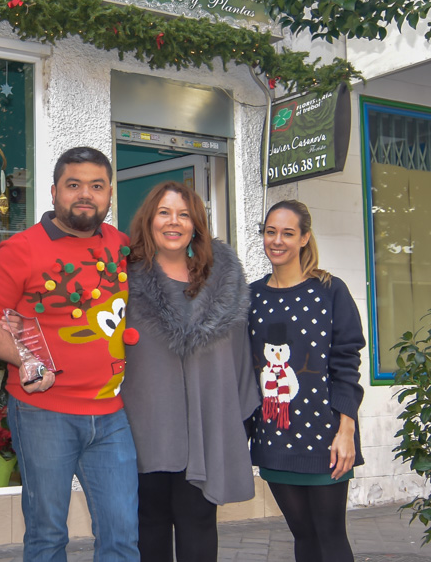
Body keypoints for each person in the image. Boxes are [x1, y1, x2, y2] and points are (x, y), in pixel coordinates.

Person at [0, 146, 140, 562]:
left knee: (122, 534)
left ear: (110, 194)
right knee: (47, 535)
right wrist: (25, 359)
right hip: (43, 413)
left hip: (111, 414)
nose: (85, 194)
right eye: (74, 185)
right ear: (53, 192)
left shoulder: (122, 247)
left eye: (97, 186)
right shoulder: (20, 249)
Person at [119, 182, 258, 562]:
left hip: (206, 429)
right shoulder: (124, 281)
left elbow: (239, 357)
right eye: (164, 213)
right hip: (143, 430)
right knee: (149, 525)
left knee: (199, 523)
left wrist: (237, 423)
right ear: (148, 220)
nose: (173, 222)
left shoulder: (224, 283)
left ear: (196, 224)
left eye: (183, 214)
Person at [249, 200, 365, 562]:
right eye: (271, 232)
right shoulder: (250, 297)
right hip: (274, 437)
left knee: (330, 538)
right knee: (303, 536)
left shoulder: (330, 290)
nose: (277, 240)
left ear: (304, 238)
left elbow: (346, 363)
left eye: (287, 233)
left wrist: (346, 431)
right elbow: (244, 371)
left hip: (326, 440)